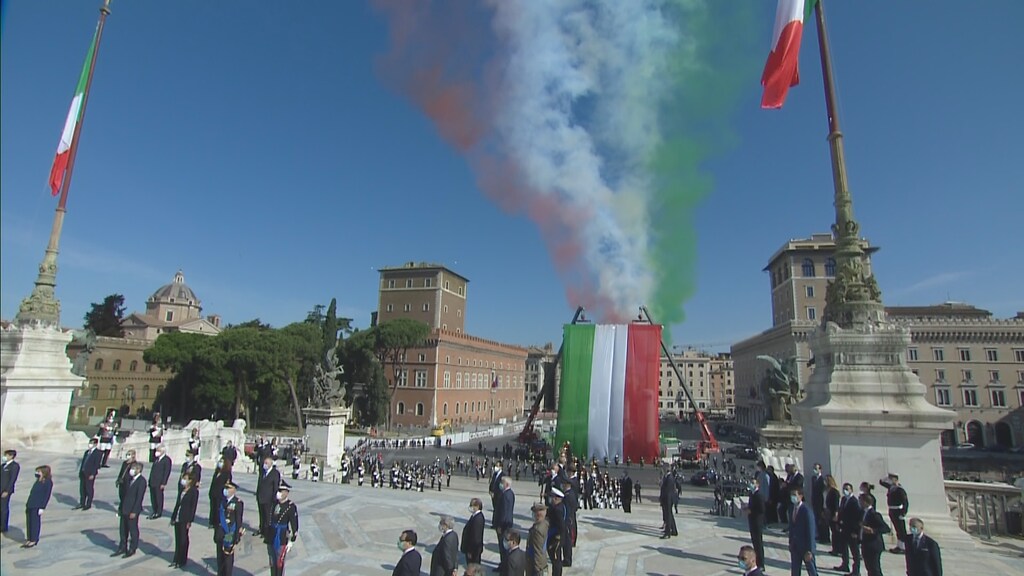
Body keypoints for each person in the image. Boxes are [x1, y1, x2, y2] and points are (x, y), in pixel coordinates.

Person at [115, 461, 146, 558]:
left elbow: (139, 498)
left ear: (138, 470)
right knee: (123, 529)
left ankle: (132, 548)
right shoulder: (129, 479)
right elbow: (124, 495)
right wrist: (120, 507)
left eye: (133, 469)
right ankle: (122, 547)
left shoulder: (141, 481)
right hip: (125, 507)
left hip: (132, 509)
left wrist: (134, 511)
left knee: (133, 529)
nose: (131, 471)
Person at [267, 481, 299, 576]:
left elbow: (294, 524)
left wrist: (292, 540)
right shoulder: (274, 503)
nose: (279, 493)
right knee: (272, 562)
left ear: (286, 493)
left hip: (281, 537)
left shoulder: (290, 506)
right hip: (272, 536)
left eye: (281, 491)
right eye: (279, 490)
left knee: (279, 563)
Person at [788, 486, 819, 576]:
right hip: (795, 546)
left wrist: (810, 550)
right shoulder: (791, 509)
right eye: (791, 495)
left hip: (805, 547)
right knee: (795, 571)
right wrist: (790, 542)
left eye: (794, 495)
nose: (792, 497)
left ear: (801, 496)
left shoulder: (806, 511)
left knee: (811, 570)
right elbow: (791, 527)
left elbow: (811, 531)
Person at [215, 481, 244, 576]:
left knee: (227, 558)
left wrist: (237, 537)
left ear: (234, 490)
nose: (226, 490)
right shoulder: (222, 501)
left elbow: (238, 520)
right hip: (220, 532)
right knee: (220, 557)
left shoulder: (238, 503)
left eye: (228, 488)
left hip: (229, 533)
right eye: (225, 488)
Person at [171, 472, 199, 569]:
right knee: (178, 539)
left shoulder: (194, 491)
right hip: (178, 516)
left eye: (185, 478)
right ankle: (176, 559)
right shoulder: (182, 490)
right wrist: (173, 517)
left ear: (190, 480)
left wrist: (190, 520)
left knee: (183, 539)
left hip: (185, 517)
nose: (183, 480)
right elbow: (177, 503)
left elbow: (193, 507)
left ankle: (182, 560)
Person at [858, 493, 890, 576]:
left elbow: (886, 528)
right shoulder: (862, 512)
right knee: (869, 567)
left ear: (865, 502)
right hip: (865, 543)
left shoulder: (874, 514)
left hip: (874, 545)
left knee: (874, 568)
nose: (859, 502)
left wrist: (873, 530)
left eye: (860, 501)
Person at [834, 482, 863, 576]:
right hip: (844, 528)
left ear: (851, 490)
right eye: (844, 488)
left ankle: (856, 571)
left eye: (847, 489)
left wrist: (856, 531)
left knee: (855, 552)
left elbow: (858, 517)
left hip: (852, 530)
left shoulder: (855, 502)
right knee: (844, 548)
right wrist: (838, 523)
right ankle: (845, 564)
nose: (845, 490)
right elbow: (841, 512)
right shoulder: (843, 499)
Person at [22, 465, 52, 548]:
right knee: (29, 522)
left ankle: (34, 539)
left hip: (37, 505)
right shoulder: (38, 480)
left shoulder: (47, 482)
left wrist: (42, 507)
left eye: (38, 472)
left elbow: (46, 495)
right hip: (31, 504)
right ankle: (29, 538)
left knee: (35, 523)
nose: (37, 473)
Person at [879, 473, 909, 554]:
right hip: (892, 511)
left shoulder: (900, 489)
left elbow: (905, 502)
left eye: (891, 479)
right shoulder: (891, 487)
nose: (890, 481)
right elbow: (881, 482)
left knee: (901, 530)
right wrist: (886, 477)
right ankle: (899, 546)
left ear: (895, 480)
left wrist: (903, 513)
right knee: (897, 529)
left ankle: (903, 547)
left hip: (898, 511)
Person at [745, 475, 766, 573]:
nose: (751, 484)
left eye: (753, 483)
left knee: (758, 543)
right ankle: (756, 562)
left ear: (757, 484)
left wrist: (751, 511)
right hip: (752, 521)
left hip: (757, 521)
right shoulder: (752, 494)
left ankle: (761, 564)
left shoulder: (759, 495)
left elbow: (762, 509)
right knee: (754, 542)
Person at [256, 456, 282, 538]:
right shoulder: (262, 472)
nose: (265, 465)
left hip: (269, 498)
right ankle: (261, 529)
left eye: (266, 463)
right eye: (264, 463)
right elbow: (259, 484)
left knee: (267, 516)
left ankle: (266, 532)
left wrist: (274, 498)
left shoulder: (275, 473)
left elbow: (275, 486)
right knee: (261, 515)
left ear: (271, 464)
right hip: (260, 497)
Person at [495, 476, 516, 571]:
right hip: (506, 523)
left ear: (506, 484)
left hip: (504, 525)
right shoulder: (509, 493)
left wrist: (500, 525)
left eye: (502, 482)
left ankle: (503, 566)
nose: (501, 484)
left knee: (503, 546)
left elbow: (505, 512)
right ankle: (502, 564)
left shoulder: (506, 495)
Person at [76, 437, 103, 510]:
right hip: (83, 472)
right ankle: (82, 503)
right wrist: (81, 471)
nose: (90, 444)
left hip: (90, 473)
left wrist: (93, 474)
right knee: (82, 489)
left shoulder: (98, 453)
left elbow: (96, 464)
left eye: (92, 443)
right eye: (90, 443)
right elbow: (83, 462)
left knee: (89, 489)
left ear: (95, 444)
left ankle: (88, 504)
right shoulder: (87, 452)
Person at [547, 488, 569, 576]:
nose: (550, 499)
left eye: (552, 497)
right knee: (556, 560)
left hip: (556, 538)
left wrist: (560, 538)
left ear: (556, 498)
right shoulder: (561, 506)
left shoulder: (557, 510)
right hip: (557, 537)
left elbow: (561, 525)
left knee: (556, 561)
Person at [149, 444, 172, 519]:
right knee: (153, 497)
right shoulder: (156, 459)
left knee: (158, 497)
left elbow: (166, 472)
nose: (157, 452)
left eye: (158, 450)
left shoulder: (167, 460)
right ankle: (154, 510)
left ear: (163, 451)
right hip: (153, 481)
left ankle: (159, 512)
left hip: (159, 482)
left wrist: (163, 483)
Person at [1, 449, 20, 533]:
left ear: (11, 456)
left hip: (5, 491)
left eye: (6, 455)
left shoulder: (14, 466)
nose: (4, 457)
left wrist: (7, 491)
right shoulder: (3, 465)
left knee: (3, 508)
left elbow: (12, 479)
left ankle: (3, 526)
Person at [527, 502, 549, 576]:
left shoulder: (537, 530)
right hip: (543, 561)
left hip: (536, 563)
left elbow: (537, 549)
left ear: (538, 515)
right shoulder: (545, 523)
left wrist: (538, 567)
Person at [209, 458, 232, 528]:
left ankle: (218, 522)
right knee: (213, 508)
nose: (220, 463)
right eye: (220, 461)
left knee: (218, 508)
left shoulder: (227, 473)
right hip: (213, 492)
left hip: (220, 493)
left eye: (222, 462)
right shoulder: (217, 472)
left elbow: (227, 484)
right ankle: (212, 522)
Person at [461, 497, 485, 565]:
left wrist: (470, 551)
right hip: (473, 549)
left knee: (473, 567)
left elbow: (475, 537)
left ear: (477, 506)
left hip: (473, 551)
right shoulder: (475, 516)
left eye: (472, 505)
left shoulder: (478, 519)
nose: (471, 507)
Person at [811, 464, 828, 545]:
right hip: (815, 502)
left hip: (821, 503)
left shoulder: (822, 479)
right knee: (817, 519)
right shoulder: (813, 478)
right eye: (814, 468)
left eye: (816, 468)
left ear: (820, 469)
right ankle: (819, 535)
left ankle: (824, 537)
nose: (815, 470)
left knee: (822, 520)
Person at [659, 469, 678, 539]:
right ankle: (674, 530)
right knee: (669, 515)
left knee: (668, 516)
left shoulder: (669, 478)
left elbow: (668, 491)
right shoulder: (667, 477)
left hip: (668, 499)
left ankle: (668, 532)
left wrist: (665, 500)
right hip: (667, 499)